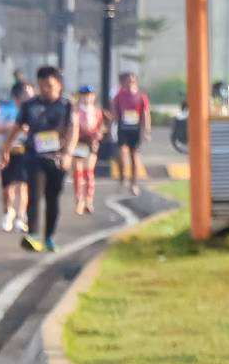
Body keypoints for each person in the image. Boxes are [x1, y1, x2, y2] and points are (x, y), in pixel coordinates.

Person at [10, 65, 73, 252]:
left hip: (57, 158)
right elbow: (17, 127)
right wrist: (6, 147)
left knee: (52, 198)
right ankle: (34, 235)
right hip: (34, 157)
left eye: (49, 86)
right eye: (42, 85)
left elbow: (72, 129)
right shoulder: (30, 105)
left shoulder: (66, 105)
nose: (45, 89)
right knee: (35, 195)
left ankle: (49, 237)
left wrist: (68, 153)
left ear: (59, 85)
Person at [109, 72, 150, 192]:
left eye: (133, 81)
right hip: (123, 129)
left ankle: (134, 183)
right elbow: (114, 113)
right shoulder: (119, 96)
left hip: (135, 130)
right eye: (128, 81)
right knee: (121, 154)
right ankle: (122, 179)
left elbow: (145, 114)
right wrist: (111, 128)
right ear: (123, 83)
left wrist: (146, 131)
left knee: (134, 156)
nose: (130, 83)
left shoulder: (141, 96)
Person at [69, 86, 106, 215]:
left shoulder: (96, 111)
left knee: (89, 172)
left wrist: (98, 135)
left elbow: (101, 126)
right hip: (78, 142)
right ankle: (79, 199)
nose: (87, 98)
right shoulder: (75, 111)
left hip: (90, 143)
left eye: (89, 95)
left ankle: (89, 199)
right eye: (84, 95)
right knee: (78, 172)